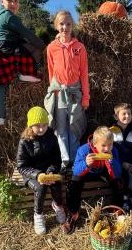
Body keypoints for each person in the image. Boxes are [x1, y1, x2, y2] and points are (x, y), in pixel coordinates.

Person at [44, 10, 89, 173]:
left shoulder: (79, 48)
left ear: (72, 25)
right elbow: (51, 72)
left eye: (68, 24)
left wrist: (86, 97)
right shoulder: (51, 48)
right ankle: (65, 160)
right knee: (61, 128)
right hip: (59, 93)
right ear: (56, 26)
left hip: (75, 91)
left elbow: (84, 73)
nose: (65, 27)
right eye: (61, 24)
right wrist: (53, 92)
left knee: (73, 126)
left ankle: (75, 159)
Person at [0, 0, 46, 125]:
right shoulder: (9, 16)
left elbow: (19, 36)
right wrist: (43, 46)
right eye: (10, 1)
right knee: (35, 48)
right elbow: (27, 34)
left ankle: (1, 119)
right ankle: (27, 74)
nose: (14, 4)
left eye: (16, 1)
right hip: (6, 47)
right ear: (2, 2)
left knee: (0, 85)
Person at [16, 106, 66, 235]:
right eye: (37, 125)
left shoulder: (52, 137)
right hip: (31, 174)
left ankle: (58, 205)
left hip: (49, 170)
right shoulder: (25, 141)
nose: (41, 128)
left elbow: (57, 159)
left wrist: (50, 172)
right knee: (41, 187)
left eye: (44, 125)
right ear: (30, 125)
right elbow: (21, 166)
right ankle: (38, 214)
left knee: (56, 183)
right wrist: (38, 175)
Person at [64, 126, 122, 234]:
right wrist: (86, 164)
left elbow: (118, 173)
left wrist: (112, 162)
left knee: (118, 182)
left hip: (102, 171)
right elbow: (76, 171)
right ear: (95, 144)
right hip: (88, 172)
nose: (107, 149)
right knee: (74, 182)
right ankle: (73, 213)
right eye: (103, 145)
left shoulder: (113, 151)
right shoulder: (84, 150)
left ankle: (116, 209)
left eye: (110, 144)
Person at [109, 103, 132, 212]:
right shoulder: (112, 131)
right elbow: (112, 151)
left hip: (130, 161)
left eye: (129, 113)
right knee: (123, 176)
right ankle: (125, 200)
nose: (127, 116)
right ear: (116, 117)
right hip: (117, 161)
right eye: (124, 114)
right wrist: (123, 163)